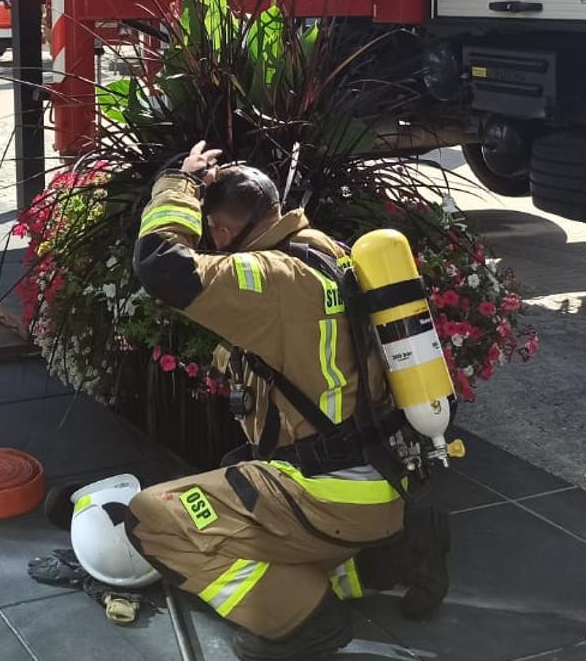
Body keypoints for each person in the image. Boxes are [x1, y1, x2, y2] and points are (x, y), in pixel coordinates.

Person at [119, 142, 450, 660]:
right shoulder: (329, 252)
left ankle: (303, 622)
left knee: (151, 518)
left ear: (221, 231)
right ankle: (384, 559)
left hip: (327, 493)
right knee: (243, 489)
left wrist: (178, 181)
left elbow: (162, 265)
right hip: (386, 479)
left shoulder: (268, 277)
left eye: (213, 234)